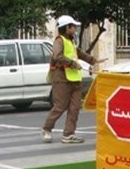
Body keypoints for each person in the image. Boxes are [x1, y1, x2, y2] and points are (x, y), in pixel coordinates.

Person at [42, 15, 106, 144]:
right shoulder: (59, 41)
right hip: (62, 78)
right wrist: (72, 64)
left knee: (75, 108)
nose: (75, 29)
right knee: (60, 106)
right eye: (73, 26)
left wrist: (93, 60)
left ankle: (68, 134)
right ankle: (47, 129)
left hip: (75, 78)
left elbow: (79, 53)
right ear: (67, 28)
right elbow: (57, 56)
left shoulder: (71, 41)